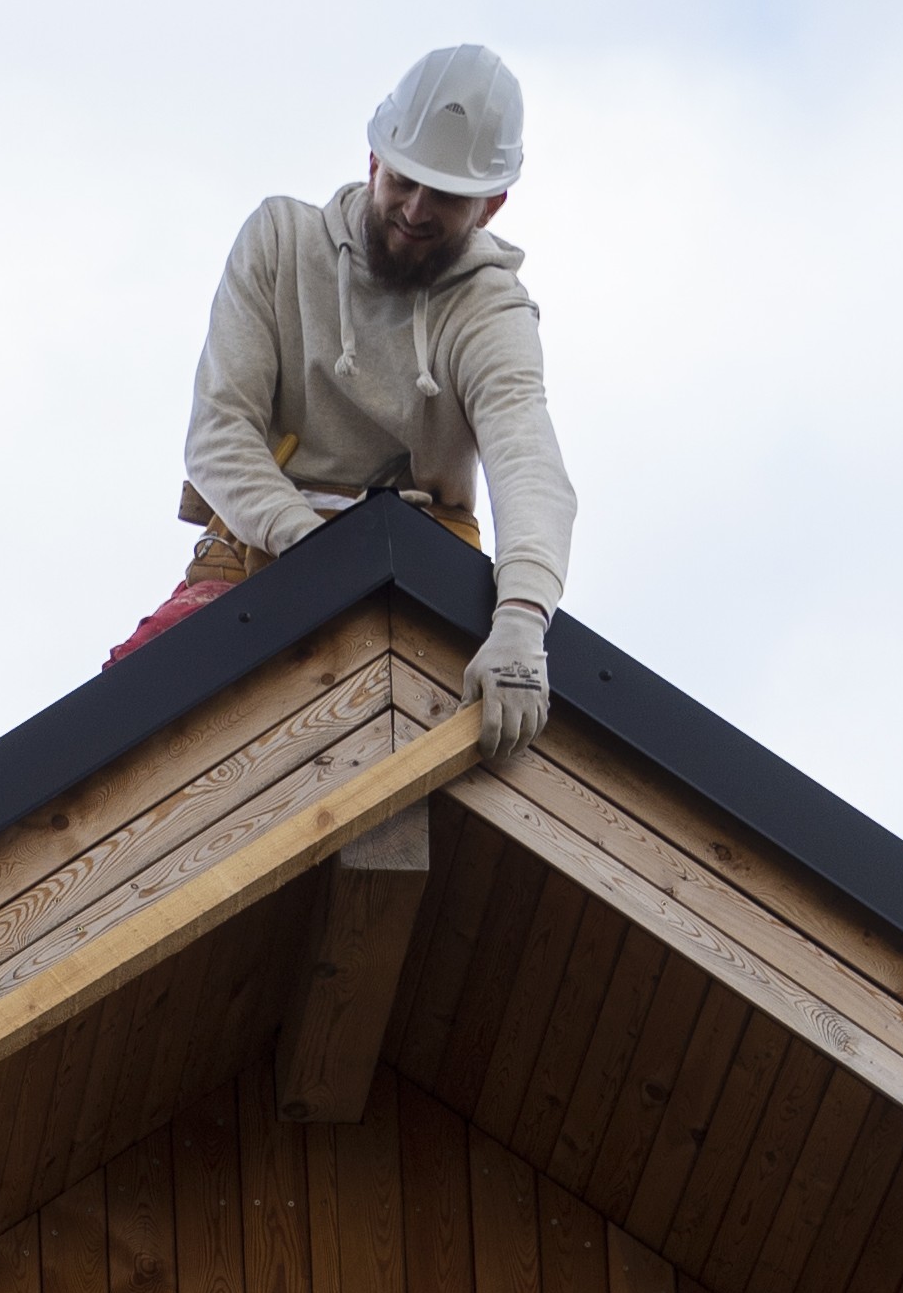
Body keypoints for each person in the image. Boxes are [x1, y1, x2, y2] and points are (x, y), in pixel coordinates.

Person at [107, 41, 577, 758]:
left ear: (491, 206)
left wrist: (519, 619)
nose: (416, 210)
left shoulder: (490, 311)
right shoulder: (283, 243)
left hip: (422, 561)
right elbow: (219, 434)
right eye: (404, 181)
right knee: (129, 712)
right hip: (264, 543)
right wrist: (314, 550)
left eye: (447, 195)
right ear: (373, 163)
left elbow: (527, 461)